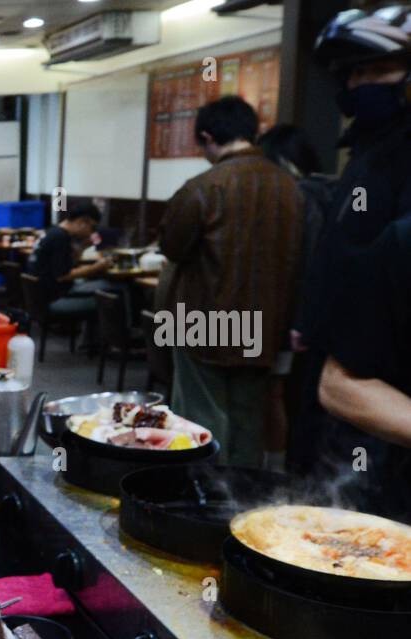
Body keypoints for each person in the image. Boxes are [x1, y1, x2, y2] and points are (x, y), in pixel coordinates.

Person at [298, 5, 411, 519]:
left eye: (377, 70)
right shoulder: (367, 154)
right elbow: (345, 253)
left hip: (388, 402)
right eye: (354, 74)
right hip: (343, 380)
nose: (361, 85)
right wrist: (309, 319)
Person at [157, 96, 303, 467]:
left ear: (207, 137)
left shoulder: (205, 187)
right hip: (264, 324)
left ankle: (198, 502)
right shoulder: (291, 188)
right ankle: (242, 507)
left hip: (202, 322)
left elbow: (172, 246)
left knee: (200, 418)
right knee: (248, 421)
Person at [257, 124, 332, 472]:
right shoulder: (329, 189)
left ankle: (276, 469)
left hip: (295, 318)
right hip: (319, 317)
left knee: (276, 393)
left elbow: (302, 264)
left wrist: (297, 321)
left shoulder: (301, 196)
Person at [27, 200, 111, 340]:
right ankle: (104, 344)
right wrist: (97, 267)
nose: (92, 232)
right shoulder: (61, 238)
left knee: (102, 289)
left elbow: (62, 265)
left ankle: (88, 343)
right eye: (92, 227)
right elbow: (63, 276)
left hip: (42, 296)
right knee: (109, 294)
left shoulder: (53, 232)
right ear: (83, 221)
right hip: (55, 298)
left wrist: (83, 248)